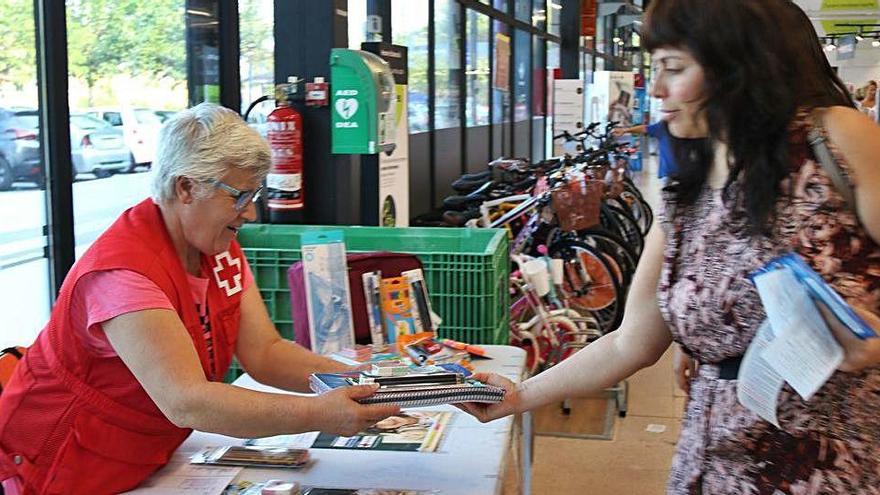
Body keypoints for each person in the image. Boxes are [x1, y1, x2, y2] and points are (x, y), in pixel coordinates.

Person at [460, 1, 880, 493]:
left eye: (673, 69)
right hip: (715, 465)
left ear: (739, 64)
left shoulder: (835, 140)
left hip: (833, 469)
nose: (655, 89)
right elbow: (630, 342)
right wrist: (519, 395)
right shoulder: (688, 192)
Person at [0, 103, 400, 494]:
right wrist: (319, 413)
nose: (251, 214)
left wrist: (364, 383)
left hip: (143, 456)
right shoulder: (123, 273)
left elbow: (265, 352)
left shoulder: (216, 246)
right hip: (62, 468)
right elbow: (187, 401)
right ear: (186, 187)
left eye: (255, 195)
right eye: (239, 196)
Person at [611, 120, 705, 180]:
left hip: (688, 174)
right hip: (669, 175)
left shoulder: (690, 127)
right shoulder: (663, 126)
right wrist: (625, 130)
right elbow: (644, 128)